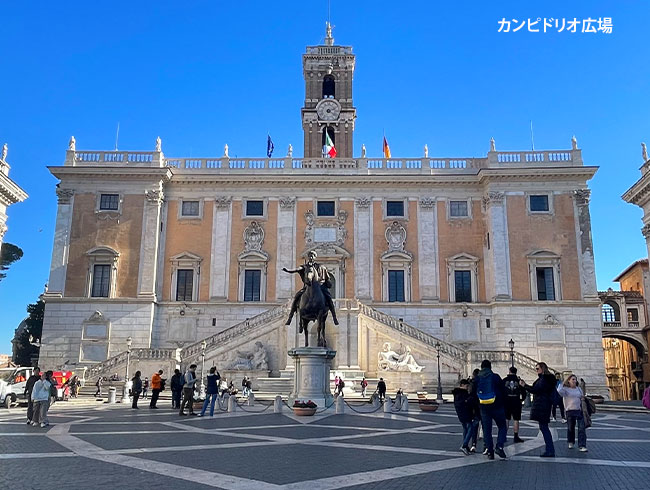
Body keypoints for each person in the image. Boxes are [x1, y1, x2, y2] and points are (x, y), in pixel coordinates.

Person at [283, 250, 339, 325]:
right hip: (308, 287)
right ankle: (290, 317)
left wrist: (328, 282)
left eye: (312, 256)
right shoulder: (305, 267)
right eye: (310, 255)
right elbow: (296, 270)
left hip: (321, 287)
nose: (311, 257)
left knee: (329, 299)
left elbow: (328, 280)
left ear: (315, 257)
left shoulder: (321, 267)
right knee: (297, 297)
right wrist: (288, 271)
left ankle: (334, 317)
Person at [520, 362, 557, 457]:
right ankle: (549, 449)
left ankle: (550, 450)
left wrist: (525, 386)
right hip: (544, 405)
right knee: (543, 427)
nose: (536, 370)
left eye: (537, 368)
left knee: (544, 428)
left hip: (543, 405)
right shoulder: (544, 379)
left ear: (543, 368)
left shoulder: (544, 379)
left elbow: (536, 390)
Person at [474, 360, 508, 459]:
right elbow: (503, 391)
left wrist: (478, 406)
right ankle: (499, 446)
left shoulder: (477, 378)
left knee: (487, 430)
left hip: (484, 407)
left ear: (481, 367)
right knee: (502, 427)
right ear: (490, 367)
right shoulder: (496, 377)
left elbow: (473, 393)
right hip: (497, 406)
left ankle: (490, 451)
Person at [557, 374, 588, 452]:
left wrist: (583, 398)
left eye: (575, 379)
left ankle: (582, 445)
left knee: (581, 428)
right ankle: (571, 441)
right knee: (571, 428)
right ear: (569, 381)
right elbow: (559, 391)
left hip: (579, 410)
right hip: (570, 410)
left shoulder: (578, 389)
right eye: (573, 379)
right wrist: (562, 383)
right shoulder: (565, 389)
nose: (574, 381)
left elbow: (582, 396)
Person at [453, 379, 479, 455]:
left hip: (461, 414)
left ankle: (466, 445)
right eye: (466, 386)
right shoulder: (463, 394)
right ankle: (464, 445)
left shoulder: (457, 393)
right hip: (465, 413)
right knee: (471, 428)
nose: (467, 388)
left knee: (465, 428)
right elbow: (466, 403)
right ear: (462, 385)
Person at [503, 366, 526, 443]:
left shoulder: (504, 380)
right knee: (516, 419)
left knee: (506, 419)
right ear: (516, 372)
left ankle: (504, 436)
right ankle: (516, 436)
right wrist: (522, 399)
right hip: (516, 401)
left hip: (506, 401)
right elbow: (523, 391)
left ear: (509, 371)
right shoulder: (518, 380)